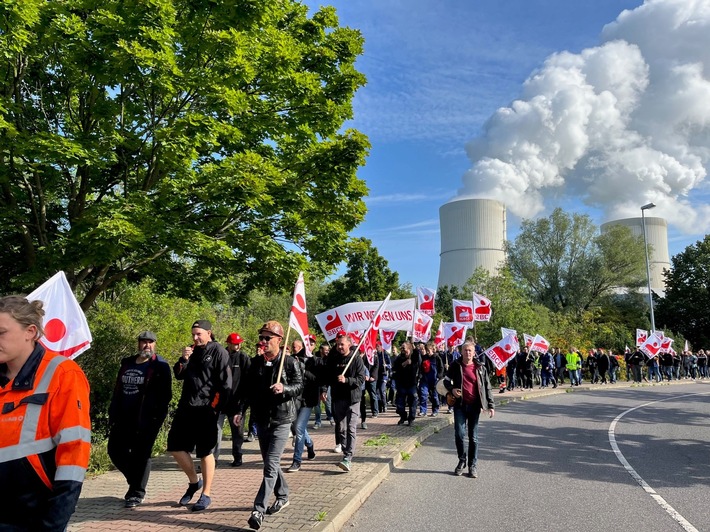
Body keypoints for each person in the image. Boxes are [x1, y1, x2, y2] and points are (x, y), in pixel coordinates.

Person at [0, 295, 92, 531]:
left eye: (1, 332)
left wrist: (54, 522)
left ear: (30, 332)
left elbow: (74, 453)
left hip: (34, 515)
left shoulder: (63, 374)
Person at [232, 321, 303, 530]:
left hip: (282, 419)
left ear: (279, 340)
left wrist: (285, 388)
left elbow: (299, 386)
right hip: (261, 419)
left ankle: (258, 510)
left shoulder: (290, 362)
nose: (262, 341)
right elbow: (245, 391)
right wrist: (240, 411)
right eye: (261, 338)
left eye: (267, 338)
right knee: (270, 463)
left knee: (271, 463)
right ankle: (283, 495)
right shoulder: (255, 363)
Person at [167, 319, 231, 512]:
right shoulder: (191, 351)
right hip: (186, 407)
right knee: (175, 447)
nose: (195, 338)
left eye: (198, 334)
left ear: (208, 333)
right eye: (193, 334)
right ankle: (195, 482)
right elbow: (179, 374)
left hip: (206, 410)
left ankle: (206, 494)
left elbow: (226, 384)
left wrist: (216, 407)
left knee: (205, 452)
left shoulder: (219, 351)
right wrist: (183, 360)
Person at [108, 330, 172, 508]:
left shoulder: (160, 366)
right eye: (143, 342)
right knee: (114, 451)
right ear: (138, 344)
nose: (147, 345)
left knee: (141, 456)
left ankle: (136, 493)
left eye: (150, 342)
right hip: (122, 417)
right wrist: (112, 412)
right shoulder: (127, 363)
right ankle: (135, 480)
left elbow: (166, 396)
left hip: (146, 419)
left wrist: (156, 418)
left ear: (155, 344)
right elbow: (118, 389)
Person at [443, 341, 495, 478]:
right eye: (465, 350)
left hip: (474, 406)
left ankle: (472, 465)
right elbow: (446, 381)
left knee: (474, 437)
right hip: (460, 406)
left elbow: (487, 386)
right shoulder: (455, 365)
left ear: (474, 352)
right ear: (461, 351)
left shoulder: (480, 367)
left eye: (470, 350)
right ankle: (462, 461)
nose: (468, 353)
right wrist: (452, 389)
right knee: (459, 435)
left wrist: (491, 405)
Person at [322, 332, 366, 472]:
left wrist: (347, 380)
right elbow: (327, 375)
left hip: (353, 399)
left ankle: (348, 457)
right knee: (341, 428)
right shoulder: (333, 358)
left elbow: (360, 379)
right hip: (338, 397)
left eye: (342, 344)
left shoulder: (356, 358)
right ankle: (346, 450)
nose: (339, 347)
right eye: (338, 344)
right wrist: (324, 389)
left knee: (351, 427)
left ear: (349, 344)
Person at [215, 333, 251, 467]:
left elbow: (248, 380)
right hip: (220, 401)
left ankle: (238, 456)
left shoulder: (243, 357)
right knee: (215, 430)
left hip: (236, 402)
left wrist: (244, 402)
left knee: (237, 431)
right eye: (234, 343)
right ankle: (213, 458)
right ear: (228, 343)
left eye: (238, 343)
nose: (237, 345)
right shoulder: (221, 355)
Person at [287, 336, 319, 472]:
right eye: (307, 342)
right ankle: (310, 445)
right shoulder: (294, 358)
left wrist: (304, 371)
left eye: (311, 343)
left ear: (314, 346)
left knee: (299, 428)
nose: (309, 345)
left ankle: (297, 460)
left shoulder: (316, 361)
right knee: (297, 427)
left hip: (308, 399)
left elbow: (318, 379)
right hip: (295, 398)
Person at [392, 341, 420, 425]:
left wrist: (413, 346)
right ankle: (403, 416)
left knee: (413, 403)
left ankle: (411, 419)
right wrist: (404, 364)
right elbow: (395, 368)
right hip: (401, 384)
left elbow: (417, 354)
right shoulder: (399, 358)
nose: (403, 349)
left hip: (411, 384)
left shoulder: (414, 357)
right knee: (399, 405)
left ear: (409, 348)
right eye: (402, 348)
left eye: (404, 348)